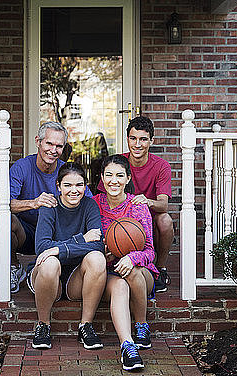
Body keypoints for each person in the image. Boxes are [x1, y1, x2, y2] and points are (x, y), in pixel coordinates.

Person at [0, 121, 92, 293]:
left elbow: (89, 202)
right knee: (0, 220)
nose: (54, 150)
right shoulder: (22, 167)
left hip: (58, 236)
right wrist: (34, 202)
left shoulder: (66, 171)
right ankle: (14, 268)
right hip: (26, 234)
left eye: (59, 146)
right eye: (49, 143)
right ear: (38, 141)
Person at [28, 162, 106, 350]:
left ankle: (85, 326)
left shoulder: (90, 206)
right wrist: (81, 239)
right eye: (68, 185)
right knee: (50, 263)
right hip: (46, 276)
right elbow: (42, 247)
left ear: (85, 186)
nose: (74, 190)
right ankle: (43, 325)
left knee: (97, 258)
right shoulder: (49, 207)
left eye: (79, 185)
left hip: (76, 279)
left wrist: (57, 249)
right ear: (58, 186)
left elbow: (97, 245)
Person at [94, 154, 159, 371]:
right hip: (108, 273)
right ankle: (127, 346)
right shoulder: (93, 205)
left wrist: (131, 257)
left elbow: (150, 251)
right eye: (109, 175)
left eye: (120, 175)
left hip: (141, 272)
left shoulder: (138, 206)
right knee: (121, 277)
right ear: (101, 178)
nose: (114, 180)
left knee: (131, 271)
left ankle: (141, 325)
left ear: (128, 178)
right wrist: (105, 252)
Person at [97, 116, 173, 293]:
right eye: (133, 138)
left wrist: (147, 201)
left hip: (147, 223)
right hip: (120, 222)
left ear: (151, 141)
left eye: (143, 139)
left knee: (165, 221)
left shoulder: (161, 166)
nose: (137, 144)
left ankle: (160, 269)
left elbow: (163, 205)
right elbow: (101, 201)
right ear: (127, 139)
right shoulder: (117, 164)